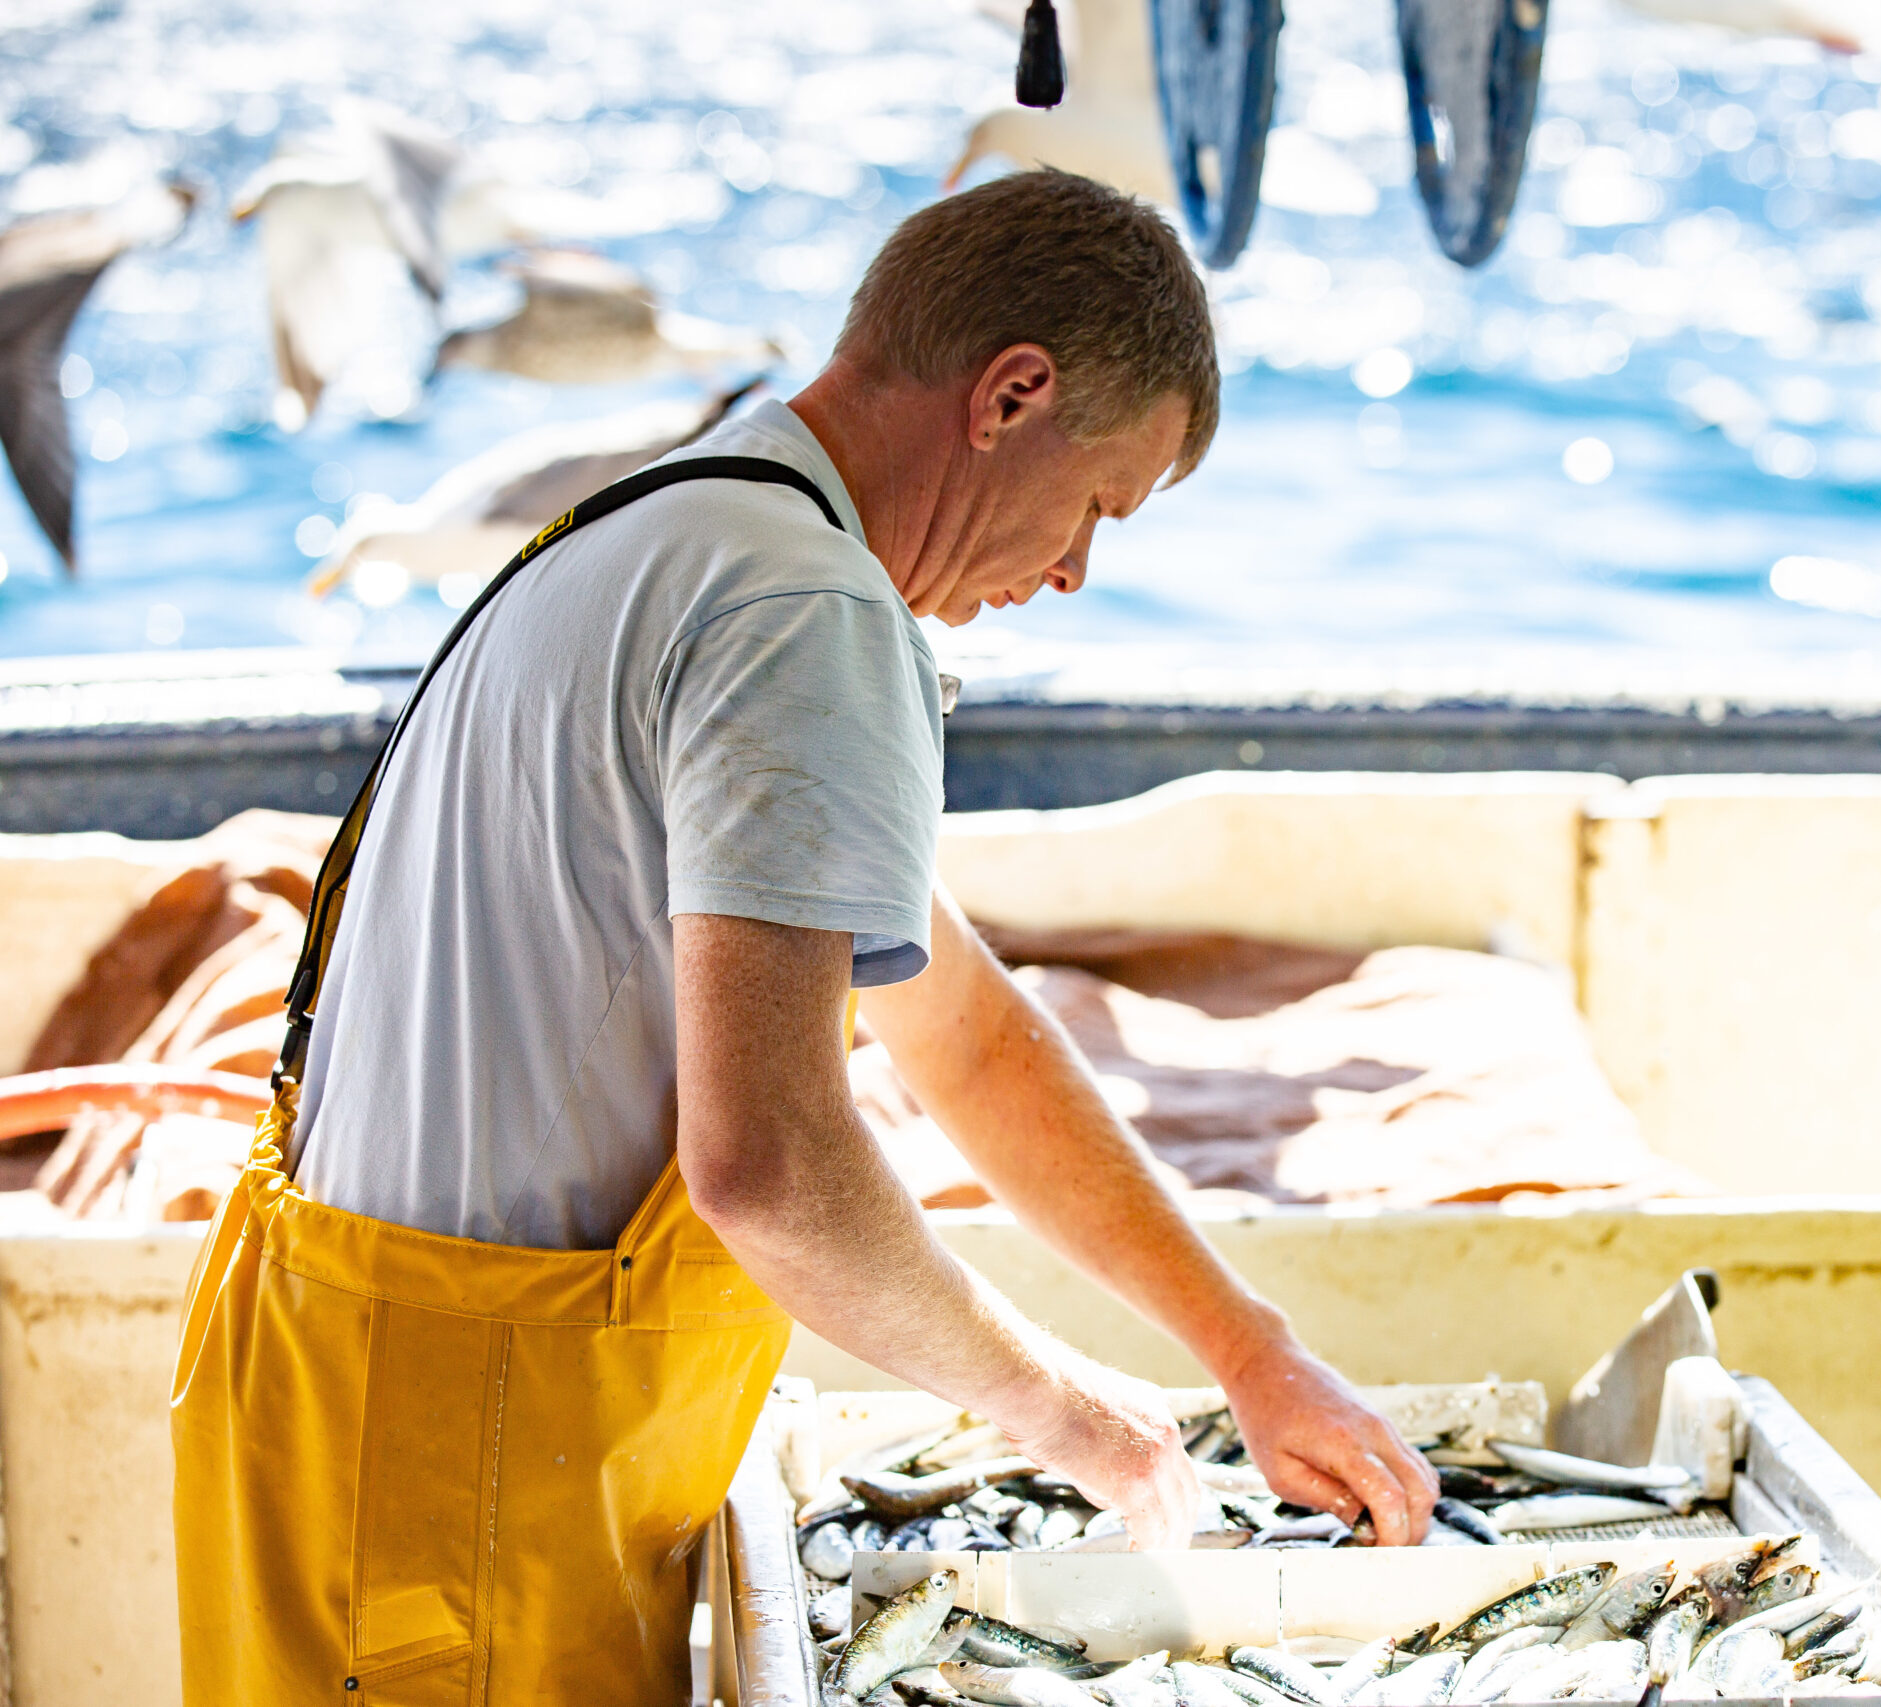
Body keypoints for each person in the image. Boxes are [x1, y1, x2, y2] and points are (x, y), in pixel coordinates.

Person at [171, 169, 1438, 1704]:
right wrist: (1070, 1417)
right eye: (1099, 507)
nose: (1071, 574)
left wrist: (1248, 1351)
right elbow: (769, 1168)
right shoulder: (806, 614)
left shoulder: (683, 516)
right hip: (462, 1461)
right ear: (1012, 395)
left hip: (341, 1385)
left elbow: (962, 1035)